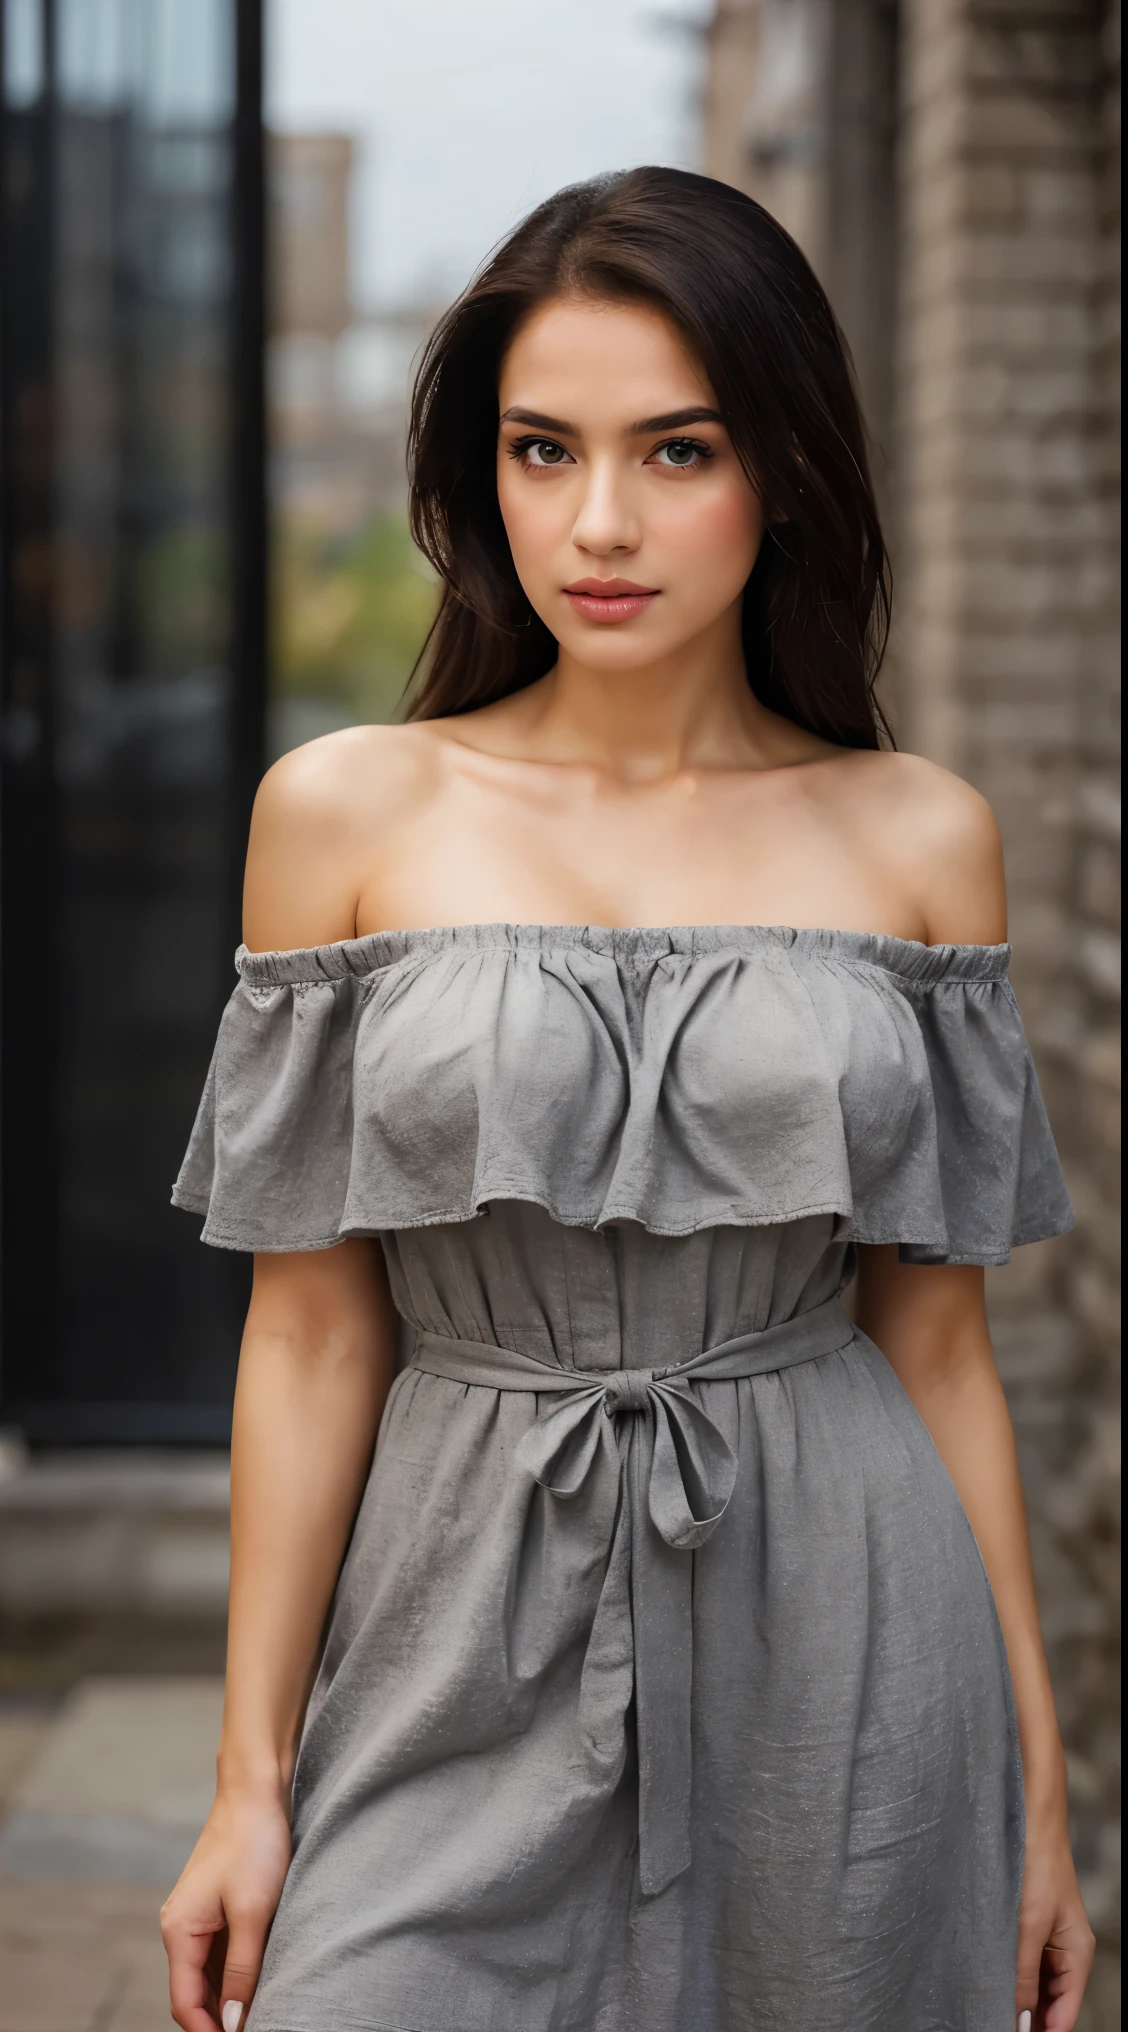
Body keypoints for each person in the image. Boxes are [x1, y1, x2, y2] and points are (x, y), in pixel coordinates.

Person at [161, 168, 1094, 2032]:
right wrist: (247, 1782)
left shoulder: (919, 838)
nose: (598, 522)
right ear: (475, 472)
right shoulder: (346, 813)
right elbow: (313, 1336)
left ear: (790, 471)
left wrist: (1043, 1791)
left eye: (678, 451)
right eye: (540, 448)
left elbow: (939, 1350)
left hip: (849, 1634)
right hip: (450, 1625)